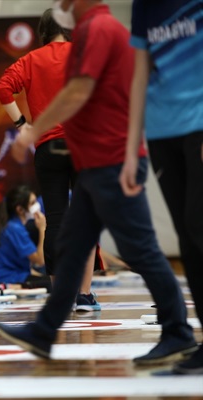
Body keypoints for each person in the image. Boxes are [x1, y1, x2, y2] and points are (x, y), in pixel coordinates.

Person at [0, 0, 196, 365]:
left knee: (140, 249)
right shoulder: (103, 31)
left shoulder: (97, 31)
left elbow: (77, 91)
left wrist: (30, 132)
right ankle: (45, 331)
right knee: (74, 243)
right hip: (96, 158)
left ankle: (178, 331)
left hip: (110, 158)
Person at [0, 7, 101, 311]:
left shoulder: (31, 60)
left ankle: (60, 296)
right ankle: (83, 294)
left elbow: (3, 88)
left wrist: (21, 125)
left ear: (43, 29)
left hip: (48, 147)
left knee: (56, 219)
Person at [120, 0, 203, 375]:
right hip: (162, 131)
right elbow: (139, 74)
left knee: (198, 225)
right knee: (187, 237)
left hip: (198, 123)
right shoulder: (145, 6)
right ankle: (193, 341)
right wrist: (131, 148)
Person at [0, 186, 52, 292]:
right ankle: (14, 287)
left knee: (52, 279)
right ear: (20, 209)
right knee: (54, 283)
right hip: (6, 278)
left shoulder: (12, 225)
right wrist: (43, 228)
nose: (37, 206)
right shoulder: (15, 228)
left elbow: (26, 267)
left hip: (9, 275)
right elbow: (40, 260)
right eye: (32, 203)